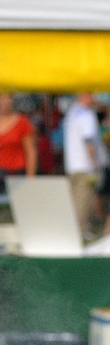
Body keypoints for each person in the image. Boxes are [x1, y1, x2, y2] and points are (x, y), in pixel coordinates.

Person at [61, 93, 108, 238]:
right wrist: (95, 165)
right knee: (84, 200)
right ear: (86, 96)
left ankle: (73, 231)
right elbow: (89, 141)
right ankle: (80, 232)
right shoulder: (87, 115)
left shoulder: (71, 113)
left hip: (72, 165)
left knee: (75, 200)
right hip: (85, 166)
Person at [0, 91, 37, 194]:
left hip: (16, 173)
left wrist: (31, 179)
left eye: (8, 98)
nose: (5, 102)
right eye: (1, 98)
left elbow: (31, 152)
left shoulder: (22, 122)